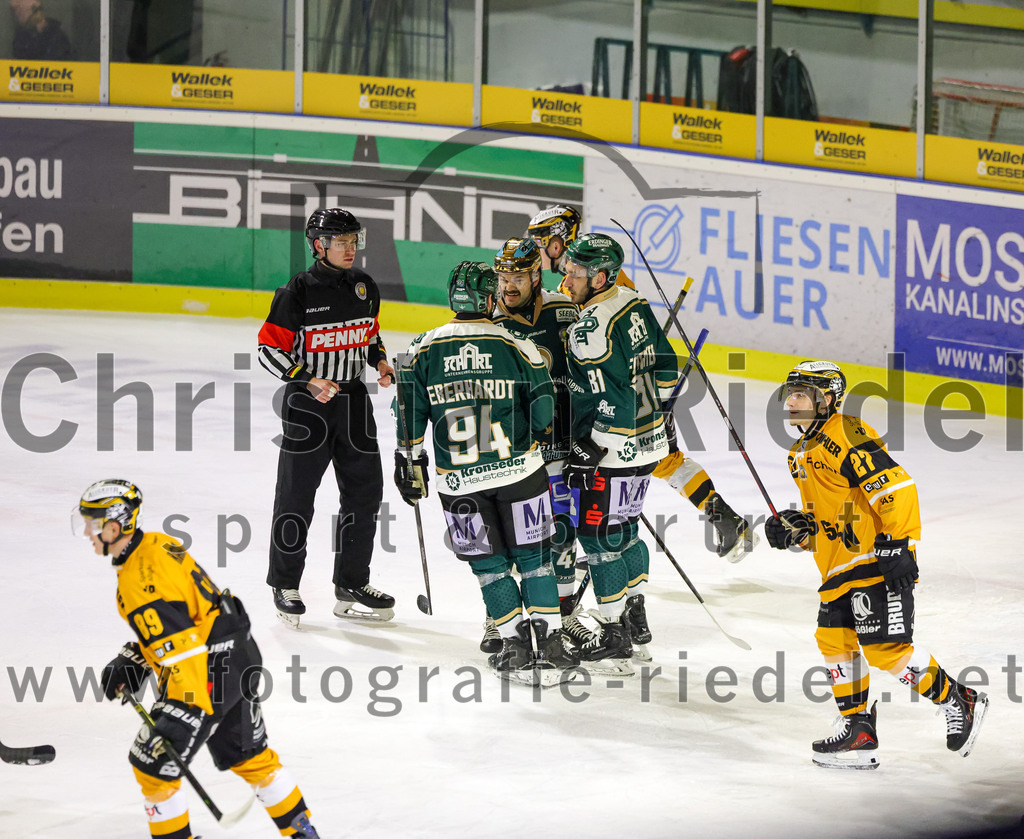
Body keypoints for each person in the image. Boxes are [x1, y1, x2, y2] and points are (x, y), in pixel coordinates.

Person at [763, 360, 988, 769]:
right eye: (790, 393)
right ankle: (859, 730)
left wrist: (899, 543)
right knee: (835, 643)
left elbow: (895, 486)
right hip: (837, 569)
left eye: (802, 394)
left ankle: (959, 699)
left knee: (886, 649)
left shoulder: (845, 432)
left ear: (827, 399)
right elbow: (832, 519)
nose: (791, 401)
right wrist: (797, 528)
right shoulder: (798, 454)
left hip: (874, 560)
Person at [76, 479, 321, 839]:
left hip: (206, 674)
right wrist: (138, 657)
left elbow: (185, 649)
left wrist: (184, 707)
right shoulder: (158, 543)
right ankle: (304, 833)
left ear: (114, 526)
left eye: (92, 524)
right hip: (238, 653)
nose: (87, 532)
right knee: (249, 756)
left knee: (152, 766)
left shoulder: (141, 584)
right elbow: (189, 617)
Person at [527, 204, 756, 562]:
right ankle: (722, 517)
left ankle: (603, 549)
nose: (540, 251)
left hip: (620, 398)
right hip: (632, 394)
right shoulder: (578, 275)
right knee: (662, 458)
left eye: (543, 242)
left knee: (645, 463)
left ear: (558, 241)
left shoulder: (596, 278)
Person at [392, 260, 577, 686]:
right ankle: (548, 645)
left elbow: (407, 417)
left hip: (458, 484)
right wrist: (531, 435)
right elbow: (545, 408)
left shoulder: (422, 348)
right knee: (535, 561)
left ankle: (513, 645)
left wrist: (410, 462)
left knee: (489, 568)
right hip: (520, 473)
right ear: (490, 298)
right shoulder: (516, 345)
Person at [258, 207, 396, 626]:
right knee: (297, 496)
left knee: (365, 493)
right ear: (319, 245)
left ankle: (351, 581)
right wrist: (308, 379)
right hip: (308, 406)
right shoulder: (295, 292)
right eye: (341, 241)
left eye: (354, 241)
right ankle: (285, 583)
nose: (351, 249)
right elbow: (268, 350)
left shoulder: (364, 286)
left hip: (354, 402)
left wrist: (381, 362)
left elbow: (368, 333)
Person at [560, 232, 679, 672]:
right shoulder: (634, 302)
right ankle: (636, 622)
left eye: (575, 272)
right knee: (626, 530)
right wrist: (658, 412)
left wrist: (591, 448)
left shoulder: (592, 328)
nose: (566, 277)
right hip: (648, 446)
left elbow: (615, 402)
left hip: (614, 452)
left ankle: (612, 637)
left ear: (601, 276)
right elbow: (667, 367)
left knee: (597, 539)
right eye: (568, 268)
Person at [488, 236, 597, 654]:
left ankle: (565, 615)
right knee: (511, 535)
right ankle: (500, 620)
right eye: (502, 276)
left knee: (562, 532)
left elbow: (587, 372)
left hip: (559, 445)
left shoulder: (563, 311)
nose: (508, 285)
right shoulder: (488, 319)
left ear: (536, 274)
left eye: (517, 276)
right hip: (511, 450)